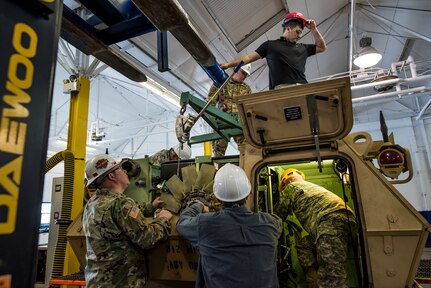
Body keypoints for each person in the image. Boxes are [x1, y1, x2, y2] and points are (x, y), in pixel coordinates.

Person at [176, 163, 282, 288]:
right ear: (247, 195)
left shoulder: (205, 225)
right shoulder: (271, 223)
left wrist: (198, 204)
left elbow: (182, 223)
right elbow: (277, 222)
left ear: (218, 198)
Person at [82, 154, 173, 287]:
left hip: (98, 281)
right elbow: (147, 239)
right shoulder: (121, 203)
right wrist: (163, 219)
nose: (125, 171)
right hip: (121, 282)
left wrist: (150, 207)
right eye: (119, 168)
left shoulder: (92, 203)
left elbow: (124, 216)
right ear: (111, 176)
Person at [275, 168, 357, 288]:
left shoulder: (292, 187)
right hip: (344, 222)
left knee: (331, 275)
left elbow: (278, 215)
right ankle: (313, 281)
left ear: (285, 182)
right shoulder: (309, 186)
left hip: (330, 223)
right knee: (304, 245)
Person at [220, 11, 327, 90]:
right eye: (298, 32)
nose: (300, 36)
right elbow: (248, 58)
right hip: (280, 90)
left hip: (302, 88)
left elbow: (322, 47)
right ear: (288, 29)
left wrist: (313, 28)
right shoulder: (270, 45)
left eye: (301, 33)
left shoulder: (303, 48)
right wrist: (229, 64)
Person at [208, 64, 252, 156]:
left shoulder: (246, 88)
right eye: (243, 73)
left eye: (246, 75)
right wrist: (212, 120)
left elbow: (250, 106)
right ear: (236, 70)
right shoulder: (222, 82)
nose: (244, 77)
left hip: (239, 123)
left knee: (247, 148)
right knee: (218, 150)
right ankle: (219, 169)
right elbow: (210, 102)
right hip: (222, 121)